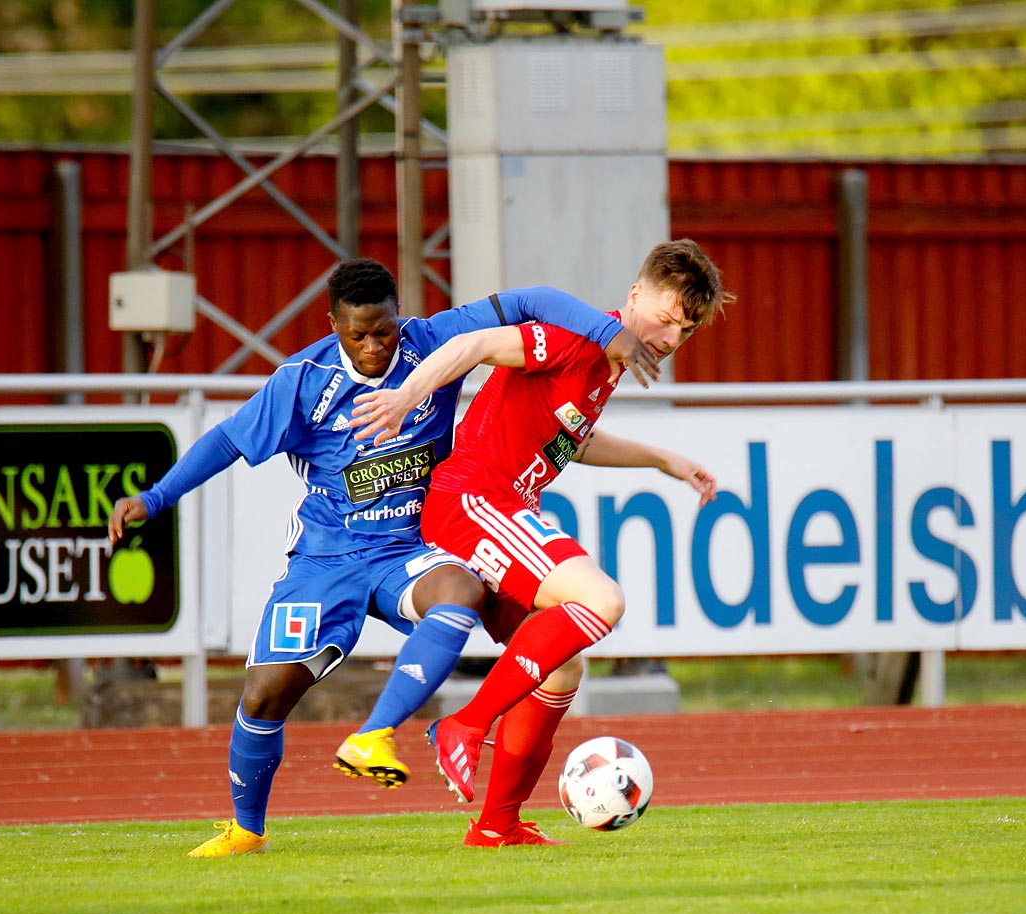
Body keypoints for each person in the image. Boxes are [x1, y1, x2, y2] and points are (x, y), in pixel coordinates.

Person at [108, 258, 657, 857]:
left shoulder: (428, 342)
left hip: (411, 547)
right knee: (265, 695)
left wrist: (610, 333)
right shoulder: (303, 380)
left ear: (400, 317)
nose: (373, 347)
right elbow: (228, 441)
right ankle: (246, 830)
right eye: (357, 335)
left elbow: (532, 297)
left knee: (466, 594)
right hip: (328, 557)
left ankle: (388, 743)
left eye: (384, 331)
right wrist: (155, 496)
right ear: (334, 325)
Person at [350, 239, 733, 846]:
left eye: (682, 331)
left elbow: (571, 442)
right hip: (475, 500)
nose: (667, 338)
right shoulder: (580, 339)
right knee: (603, 600)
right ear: (635, 295)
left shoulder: (605, 368)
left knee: (562, 667)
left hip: (499, 506)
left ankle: (497, 824)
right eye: (663, 319)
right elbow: (472, 345)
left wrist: (662, 459)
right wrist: (403, 398)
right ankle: (466, 726)